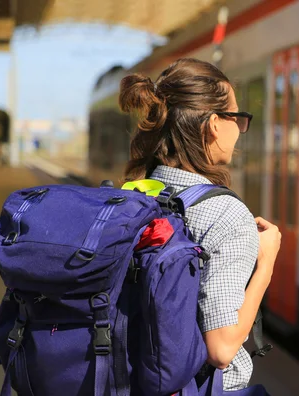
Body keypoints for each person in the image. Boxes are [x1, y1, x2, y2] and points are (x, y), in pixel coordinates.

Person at [118, 58, 281, 391]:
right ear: (213, 125)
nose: (240, 129)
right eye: (237, 118)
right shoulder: (227, 214)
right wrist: (265, 264)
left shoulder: (140, 192)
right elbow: (221, 349)